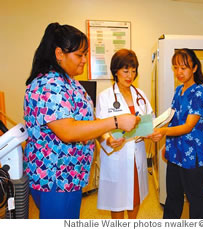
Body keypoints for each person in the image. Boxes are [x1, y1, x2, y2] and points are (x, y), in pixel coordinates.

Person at [23, 23, 139, 219]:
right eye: (80, 55)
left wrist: (106, 138)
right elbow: (68, 131)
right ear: (59, 53)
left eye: (86, 54)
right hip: (54, 178)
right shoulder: (47, 85)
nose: (85, 60)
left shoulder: (71, 83)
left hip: (71, 176)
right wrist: (116, 122)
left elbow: (88, 120)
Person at [148, 49, 203, 219]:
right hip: (175, 153)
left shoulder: (200, 93)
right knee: (173, 197)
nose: (179, 72)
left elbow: (188, 126)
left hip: (192, 157)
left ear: (195, 68)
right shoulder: (178, 90)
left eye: (184, 68)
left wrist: (163, 132)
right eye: (175, 68)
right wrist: (163, 139)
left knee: (195, 198)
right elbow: (171, 116)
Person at [95, 49, 153, 219]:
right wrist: (107, 139)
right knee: (117, 198)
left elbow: (150, 121)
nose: (130, 75)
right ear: (116, 71)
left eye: (133, 71)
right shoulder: (104, 97)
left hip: (137, 153)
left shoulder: (140, 95)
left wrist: (154, 132)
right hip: (118, 154)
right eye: (126, 71)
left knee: (136, 195)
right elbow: (99, 128)